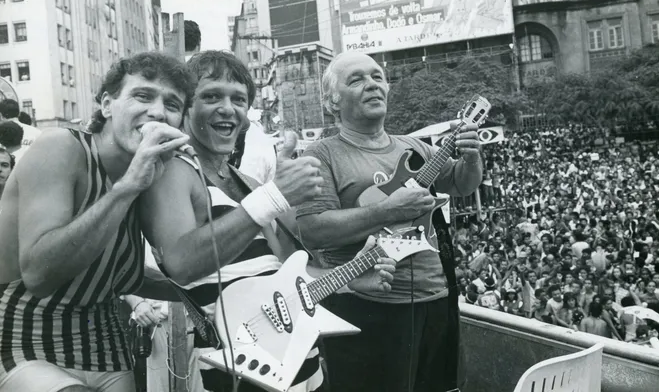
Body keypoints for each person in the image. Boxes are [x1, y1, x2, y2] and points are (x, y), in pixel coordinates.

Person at [138, 51, 396, 392]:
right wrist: (274, 196)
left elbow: (285, 278)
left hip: (299, 363)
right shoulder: (173, 171)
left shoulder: (250, 185)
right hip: (237, 370)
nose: (227, 108)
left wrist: (349, 279)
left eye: (238, 99)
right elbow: (183, 264)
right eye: (211, 96)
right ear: (185, 107)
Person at [0, 52, 196, 392]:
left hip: (106, 349)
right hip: (24, 341)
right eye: (143, 95)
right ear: (107, 104)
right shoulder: (61, 148)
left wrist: (210, 294)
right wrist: (128, 187)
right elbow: (38, 274)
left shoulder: (151, 174)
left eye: (172, 104)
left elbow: (115, 275)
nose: (158, 111)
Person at [296, 51, 484, 392]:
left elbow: (461, 183)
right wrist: (387, 211)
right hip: (368, 307)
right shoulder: (320, 155)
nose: (372, 85)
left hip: (436, 299)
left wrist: (472, 156)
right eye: (356, 79)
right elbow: (312, 230)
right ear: (332, 103)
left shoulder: (414, 147)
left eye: (377, 77)